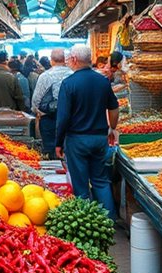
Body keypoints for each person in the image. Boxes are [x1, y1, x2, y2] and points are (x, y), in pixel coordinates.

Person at [56, 45, 119, 215]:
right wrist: (112, 128)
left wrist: (58, 142)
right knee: (101, 181)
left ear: (75, 59)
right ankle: (108, 221)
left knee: (81, 184)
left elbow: (63, 118)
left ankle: (88, 223)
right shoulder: (103, 81)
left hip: (77, 140)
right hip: (99, 139)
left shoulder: (68, 84)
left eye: (69, 58)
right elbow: (114, 108)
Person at [31, 48, 73, 159]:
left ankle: (55, 169)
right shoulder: (73, 74)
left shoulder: (45, 76)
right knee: (70, 149)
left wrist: (38, 112)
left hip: (49, 119)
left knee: (51, 150)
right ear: (65, 60)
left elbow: (36, 100)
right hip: (72, 119)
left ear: (51, 60)